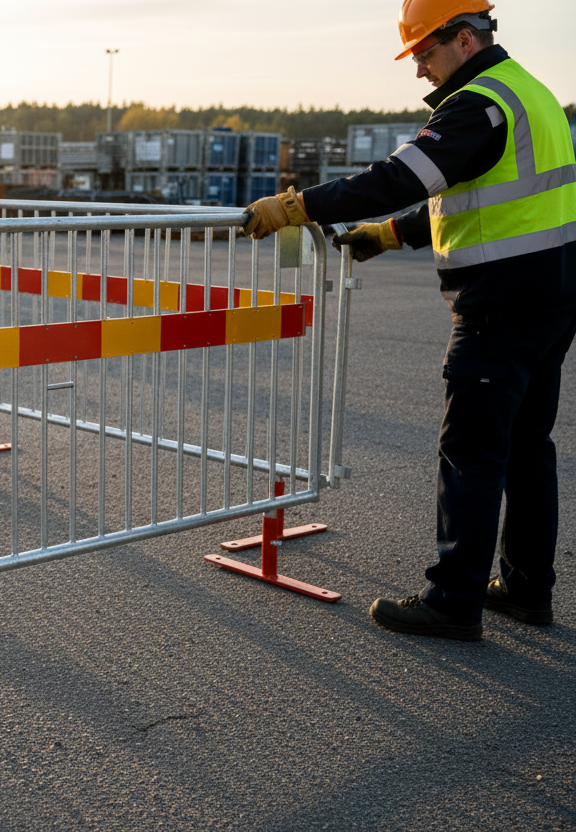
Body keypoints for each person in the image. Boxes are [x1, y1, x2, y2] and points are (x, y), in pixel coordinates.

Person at [242, 0, 576, 641]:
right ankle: (528, 588)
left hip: (501, 302)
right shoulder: (529, 93)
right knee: (526, 446)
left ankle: (454, 601)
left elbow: (399, 177)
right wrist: (391, 235)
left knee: (472, 453)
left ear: (465, 39)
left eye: (424, 51)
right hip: (551, 293)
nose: (419, 68)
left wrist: (298, 205)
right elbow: (474, 193)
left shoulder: (477, 104)